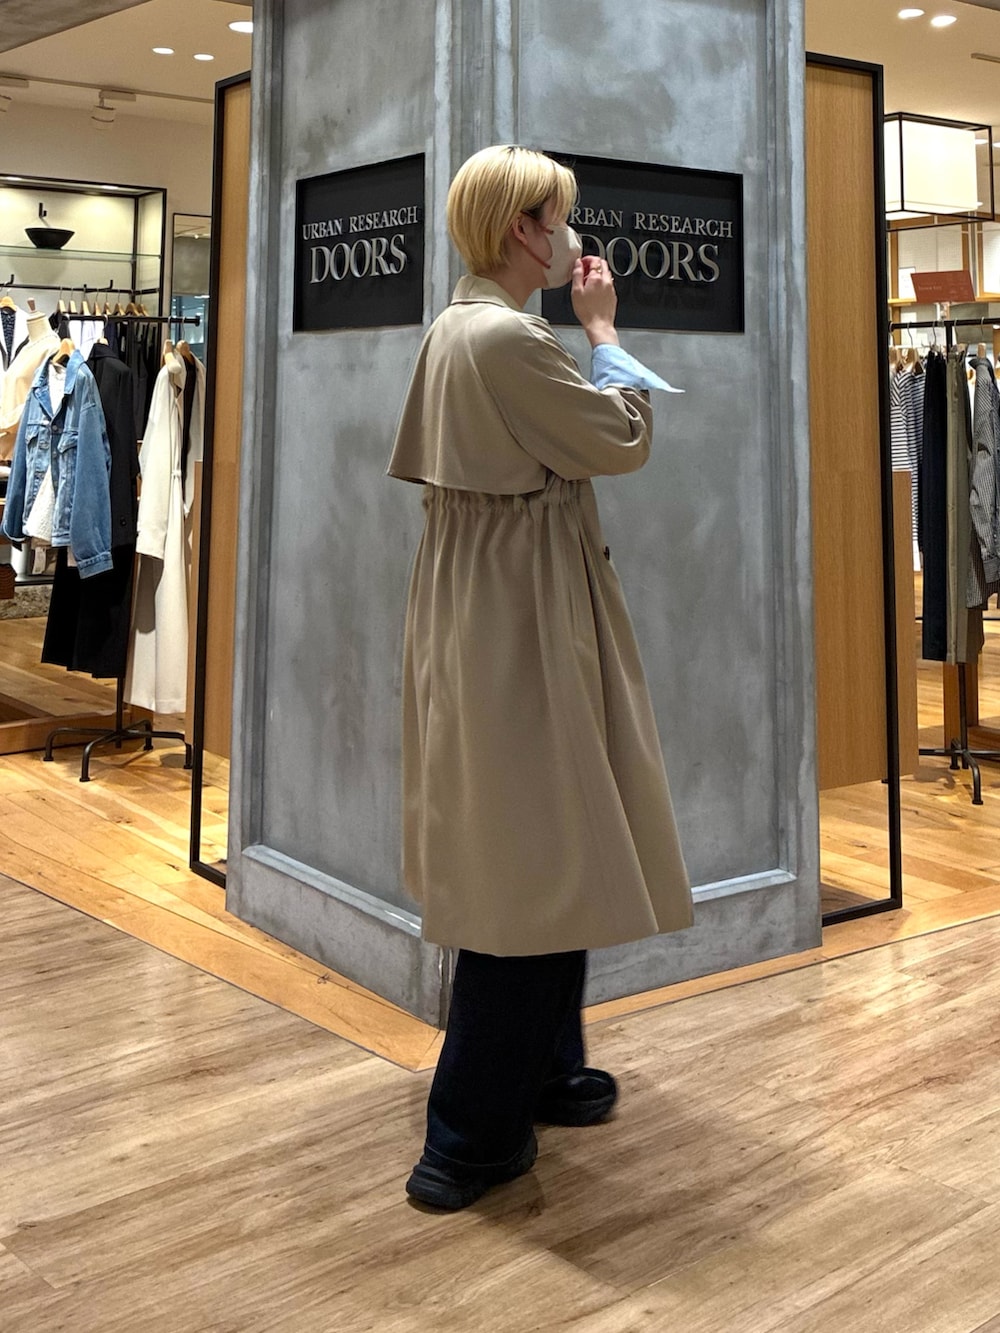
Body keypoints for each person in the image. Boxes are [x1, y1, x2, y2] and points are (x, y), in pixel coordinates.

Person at [388, 145, 693, 1211]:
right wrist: (604, 330)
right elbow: (623, 438)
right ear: (524, 228)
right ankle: (467, 1137)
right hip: (520, 614)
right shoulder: (510, 337)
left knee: (547, 838)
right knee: (529, 860)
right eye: (560, 216)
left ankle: (547, 1069)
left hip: (491, 603)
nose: (571, 235)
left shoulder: (457, 325)